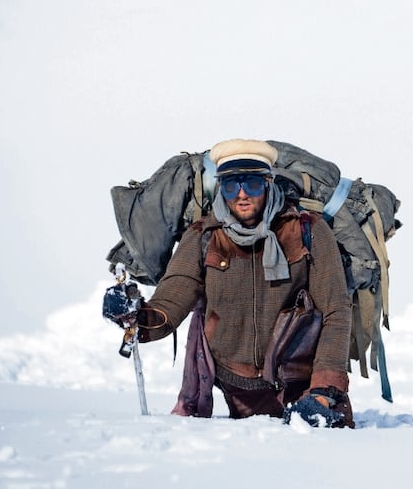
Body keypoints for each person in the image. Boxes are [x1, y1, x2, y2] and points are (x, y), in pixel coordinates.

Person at [114, 138, 354, 426]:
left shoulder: (309, 230)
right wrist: (134, 315)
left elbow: (336, 312)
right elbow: (171, 300)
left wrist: (324, 392)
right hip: (239, 393)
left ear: (268, 183)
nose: (241, 194)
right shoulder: (202, 236)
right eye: (231, 185)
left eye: (251, 184)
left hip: (304, 389)